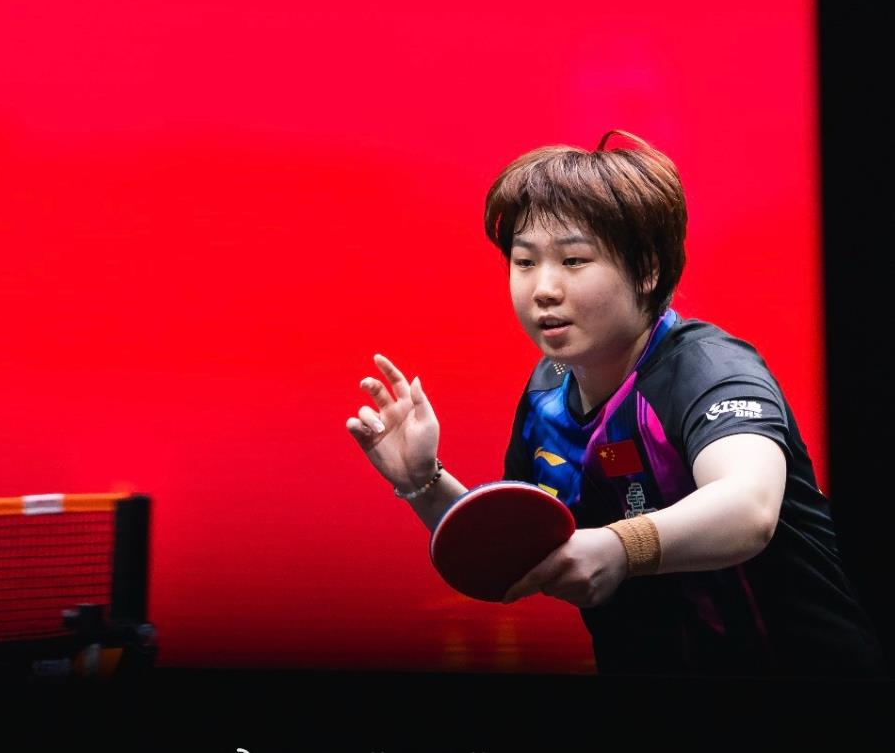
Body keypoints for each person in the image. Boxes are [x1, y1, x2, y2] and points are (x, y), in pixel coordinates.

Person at [346, 130, 885, 676]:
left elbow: (749, 508)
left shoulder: (708, 370)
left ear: (647, 269)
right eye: (525, 261)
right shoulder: (547, 395)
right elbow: (517, 554)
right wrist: (423, 481)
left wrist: (622, 547)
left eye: (574, 260)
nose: (543, 288)